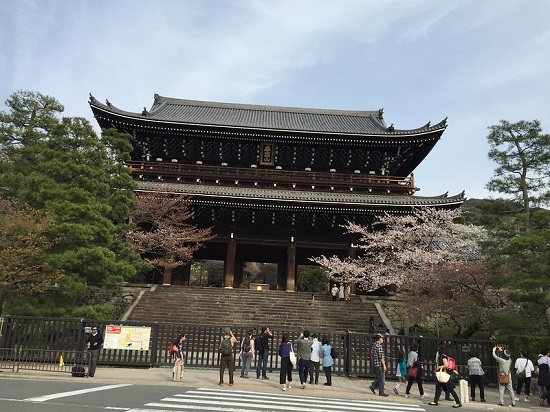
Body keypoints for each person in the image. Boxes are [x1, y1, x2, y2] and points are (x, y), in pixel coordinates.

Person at [429, 343, 462, 408]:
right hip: (446, 374)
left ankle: (458, 402)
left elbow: (446, 365)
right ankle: (435, 401)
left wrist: (439, 367)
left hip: (445, 375)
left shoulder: (443, 356)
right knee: (438, 387)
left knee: (450, 389)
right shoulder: (446, 356)